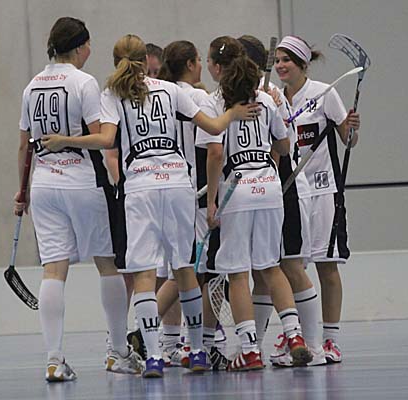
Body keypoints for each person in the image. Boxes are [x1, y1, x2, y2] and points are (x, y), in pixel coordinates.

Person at [41, 34, 259, 378]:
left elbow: (106, 140)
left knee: (144, 273)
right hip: (177, 184)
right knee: (184, 268)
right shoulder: (170, 90)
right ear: (146, 60)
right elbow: (213, 126)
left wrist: (63, 141)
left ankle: (154, 356)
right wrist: (234, 112)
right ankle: (197, 351)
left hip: (141, 187)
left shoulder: (113, 93)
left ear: (117, 62)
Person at [14, 17, 143, 382]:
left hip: (43, 185)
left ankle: (54, 359)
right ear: (79, 47)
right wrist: (68, 141)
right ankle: (118, 352)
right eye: (88, 45)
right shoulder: (83, 83)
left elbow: (24, 146)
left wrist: (22, 190)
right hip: (82, 182)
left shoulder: (31, 86)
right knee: (107, 263)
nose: (90, 51)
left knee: (53, 270)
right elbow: (103, 138)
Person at [197, 36, 310, 371]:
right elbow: (285, 146)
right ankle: (295, 335)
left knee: (237, 274)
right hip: (270, 187)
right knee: (271, 266)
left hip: (238, 189)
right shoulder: (266, 98)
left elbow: (215, 154)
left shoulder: (215, 102)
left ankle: (248, 349)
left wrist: (212, 201)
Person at [237, 35, 328, 367]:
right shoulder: (244, 98)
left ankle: (314, 346)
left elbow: (281, 148)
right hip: (264, 194)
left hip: (285, 190)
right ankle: (254, 348)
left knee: (291, 267)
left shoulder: (271, 98)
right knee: (263, 273)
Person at [274, 35, 360, 363]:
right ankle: (297, 333)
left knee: (326, 264)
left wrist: (352, 127)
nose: (280, 66)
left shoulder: (324, 93)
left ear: (302, 64)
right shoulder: (274, 98)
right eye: (277, 60)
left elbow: (348, 140)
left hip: (324, 191)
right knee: (292, 266)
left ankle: (330, 340)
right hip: (290, 192)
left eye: (286, 60)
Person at [157, 39, 230, 370]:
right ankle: (198, 341)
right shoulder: (198, 99)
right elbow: (214, 146)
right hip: (199, 194)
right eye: (198, 60)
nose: (202, 65)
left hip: (174, 189)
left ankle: (159, 335)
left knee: (184, 267)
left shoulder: (163, 95)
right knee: (202, 270)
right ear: (189, 64)